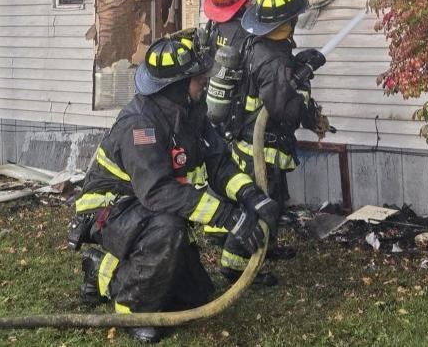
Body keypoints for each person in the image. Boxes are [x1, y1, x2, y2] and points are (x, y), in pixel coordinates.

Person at [69, 33, 279, 344]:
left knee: (195, 296)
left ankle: (102, 270)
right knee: (167, 229)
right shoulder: (140, 125)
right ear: (177, 85)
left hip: (144, 210)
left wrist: (250, 196)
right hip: (108, 210)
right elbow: (158, 193)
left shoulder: (191, 112)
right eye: (197, 78)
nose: (204, 81)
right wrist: (226, 216)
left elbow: (218, 163)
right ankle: (134, 310)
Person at [219, 0, 330, 281]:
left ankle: (264, 248)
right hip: (261, 147)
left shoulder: (264, 44)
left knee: (275, 201)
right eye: (294, 17)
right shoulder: (272, 59)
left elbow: (276, 81)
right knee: (260, 204)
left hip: (256, 142)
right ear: (287, 21)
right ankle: (234, 265)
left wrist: (298, 63)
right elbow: (286, 110)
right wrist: (303, 81)